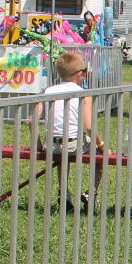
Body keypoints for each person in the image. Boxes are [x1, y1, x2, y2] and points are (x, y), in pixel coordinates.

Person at [32, 51, 105, 208]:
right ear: (79, 74)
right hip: (73, 144)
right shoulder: (83, 94)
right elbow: (89, 126)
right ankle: (91, 193)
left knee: (62, 155)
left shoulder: (48, 91)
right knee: (101, 155)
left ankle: (63, 192)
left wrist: (38, 144)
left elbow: (31, 121)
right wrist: (102, 145)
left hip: (50, 145)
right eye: (85, 72)